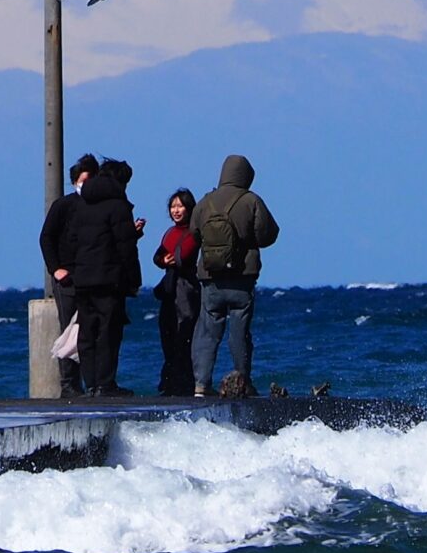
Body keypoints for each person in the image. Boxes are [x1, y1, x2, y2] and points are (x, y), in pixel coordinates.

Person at [190, 154, 280, 396]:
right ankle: (243, 381)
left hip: (210, 278)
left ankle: (201, 384)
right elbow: (268, 235)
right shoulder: (251, 200)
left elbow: (193, 233)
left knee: (208, 332)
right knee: (239, 334)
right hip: (242, 277)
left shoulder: (205, 202)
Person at [61, 156, 144, 395]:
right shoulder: (118, 206)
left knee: (87, 332)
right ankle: (106, 383)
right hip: (109, 279)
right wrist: (134, 279)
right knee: (108, 331)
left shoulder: (82, 204)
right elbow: (125, 246)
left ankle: (91, 383)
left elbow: (73, 240)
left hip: (83, 278)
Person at [39, 153, 100, 396]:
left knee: (91, 331)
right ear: (75, 180)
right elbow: (46, 238)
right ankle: (69, 385)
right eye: (84, 180)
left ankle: (92, 382)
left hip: (92, 277)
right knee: (68, 330)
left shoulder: (98, 207)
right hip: (67, 279)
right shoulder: (63, 206)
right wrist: (56, 269)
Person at [151, 187, 200, 396]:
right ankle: (170, 382)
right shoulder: (170, 232)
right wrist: (163, 260)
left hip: (186, 289)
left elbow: (185, 255)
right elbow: (158, 256)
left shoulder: (193, 232)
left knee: (184, 336)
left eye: (180, 206)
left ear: (189, 208)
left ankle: (184, 382)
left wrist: (169, 260)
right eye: (173, 206)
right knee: (167, 335)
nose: (176, 210)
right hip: (170, 289)